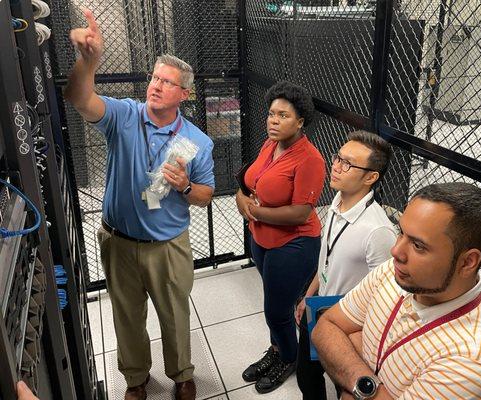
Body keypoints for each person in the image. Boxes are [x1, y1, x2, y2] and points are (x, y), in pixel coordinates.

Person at [65, 9, 215, 400]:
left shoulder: (198, 142)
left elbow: (206, 196)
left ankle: (182, 373)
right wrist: (88, 62)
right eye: (154, 77)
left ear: (184, 94)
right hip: (119, 243)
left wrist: (184, 187)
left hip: (168, 247)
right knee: (127, 318)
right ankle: (135, 380)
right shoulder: (124, 116)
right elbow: (79, 98)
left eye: (168, 82)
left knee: (174, 317)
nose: (157, 85)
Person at [312, 182, 481, 400]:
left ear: (467, 262)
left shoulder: (472, 363)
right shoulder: (394, 274)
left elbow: (337, 335)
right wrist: (366, 386)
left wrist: (351, 351)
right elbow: (326, 326)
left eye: (418, 246)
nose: (395, 251)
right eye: (401, 232)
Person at [235, 81, 326, 393]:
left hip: (294, 244)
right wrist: (242, 199)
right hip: (262, 240)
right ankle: (277, 349)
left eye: (283, 116)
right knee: (278, 304)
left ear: (299, 122)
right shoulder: (269, 145)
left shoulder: (310, 159)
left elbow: (301, 212)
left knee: (276, 310)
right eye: (272, 114)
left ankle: (288, 357)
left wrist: (255, 211)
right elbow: (249, 182)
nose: (273, 120)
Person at [295, 131, 397, 400]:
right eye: (337, 158)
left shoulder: (379, 231)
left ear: (371, 177)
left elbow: (384, 298)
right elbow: (325, 259)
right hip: (318, 308)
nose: (336, 166)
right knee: (307, 376)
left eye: (347, 163)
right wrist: (309, 296)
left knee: (344, 386)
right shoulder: (337, 202)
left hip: (347, 327)